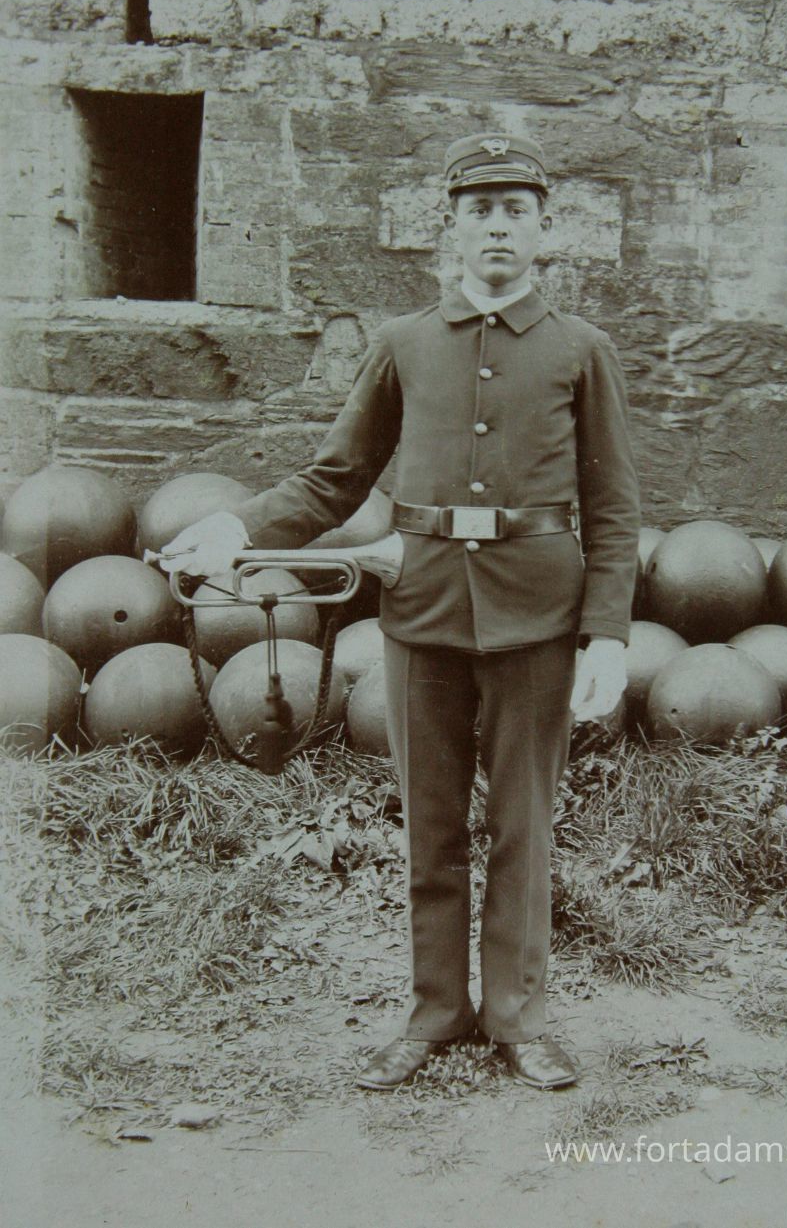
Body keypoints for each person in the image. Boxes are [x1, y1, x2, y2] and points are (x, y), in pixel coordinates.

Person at [161, 132, 640, 1091]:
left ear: (544, 228)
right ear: (449, 229)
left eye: (515, 211)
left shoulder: (582, 351)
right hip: (423, 614)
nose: (497, 228)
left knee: (523, 824)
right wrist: (233, 527)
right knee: (431, 823)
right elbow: (333, 478)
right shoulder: (405, 344)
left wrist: (607, 634)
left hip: (539, 618)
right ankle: (434, 1012)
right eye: (479, 210)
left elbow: (614, 507)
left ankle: (518, 1017)